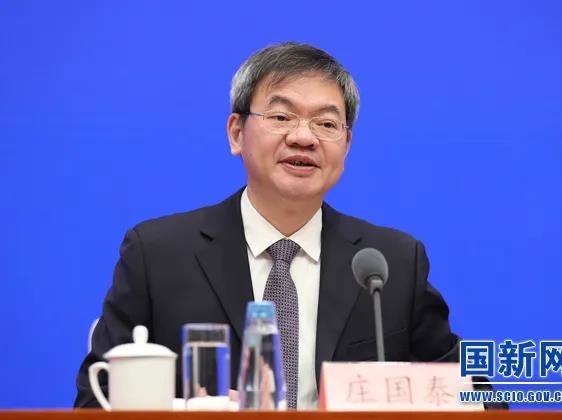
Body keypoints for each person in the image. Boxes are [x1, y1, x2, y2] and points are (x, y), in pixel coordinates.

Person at [75, 42, 502, 410]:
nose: (303, 137)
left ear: (346, 145)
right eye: (281, 117)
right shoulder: (158, 255)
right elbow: (96, 403)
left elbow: (479, 397)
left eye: (326, 124)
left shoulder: (391, 264)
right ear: (236, 133)